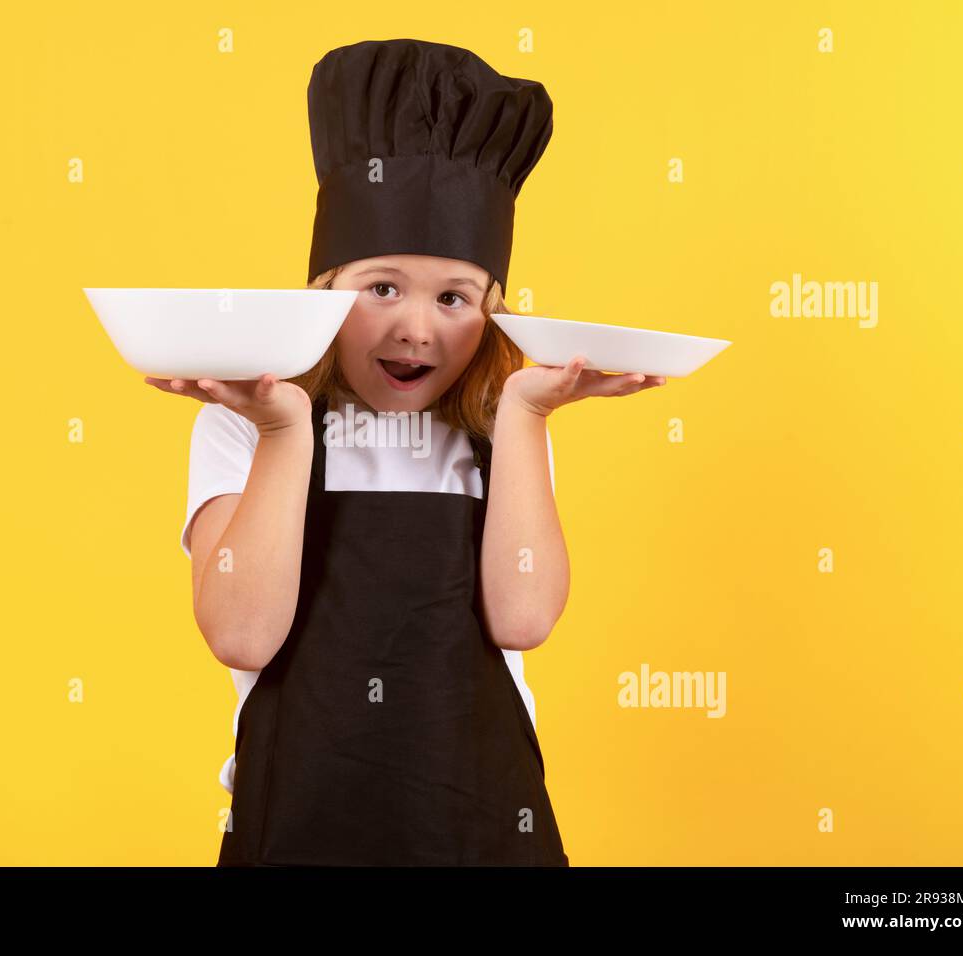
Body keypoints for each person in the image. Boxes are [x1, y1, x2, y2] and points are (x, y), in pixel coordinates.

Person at [149, 38, 665, 866]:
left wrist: (529, 416)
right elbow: (241, 634)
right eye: (381, 288)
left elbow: (525, 619)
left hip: (483, 831)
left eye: (454, 297)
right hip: (298, 826)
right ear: (320, 292)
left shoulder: (500, 433)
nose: (416, 327)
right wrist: (284, 433)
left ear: (495, 311)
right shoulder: (244, 425)